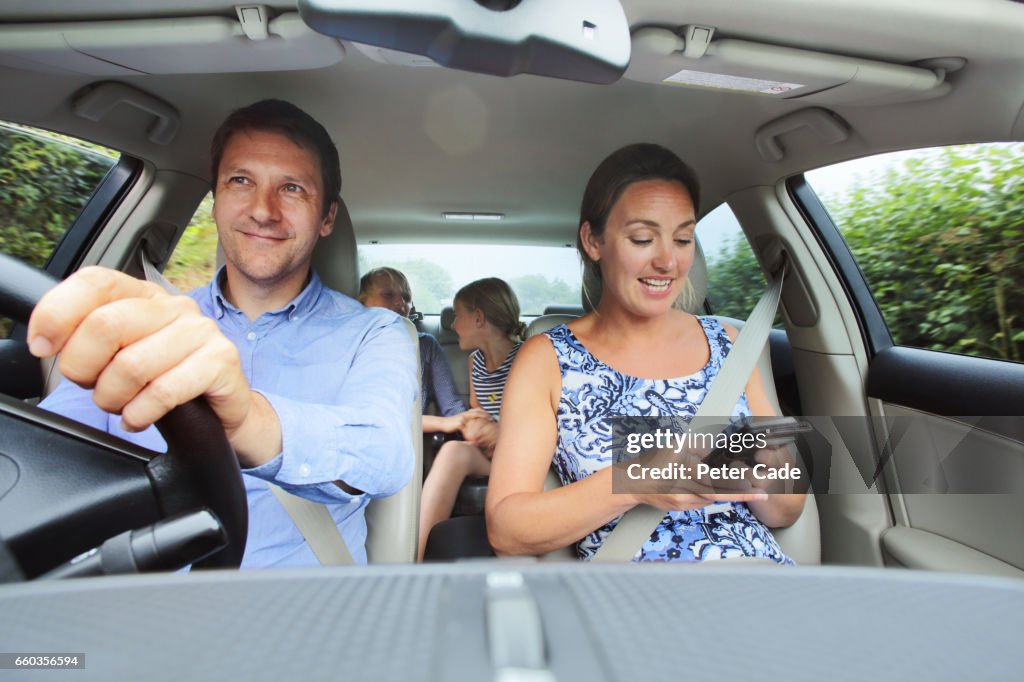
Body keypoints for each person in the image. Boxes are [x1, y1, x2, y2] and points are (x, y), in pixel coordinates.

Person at [28, 99, 417, 568]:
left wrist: (245, 421)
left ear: (327, 218)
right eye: (241, 181)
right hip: (136, 604)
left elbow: (385, 454)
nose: (262, 210)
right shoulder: (148, 325)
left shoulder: (376, 332)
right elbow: (44, 461)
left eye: (291, 189)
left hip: (301, 621)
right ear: (215, 199)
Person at [486, 143, 805, 563]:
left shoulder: (731, 343)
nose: (668, 261)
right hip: (636, 604)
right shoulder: (546, 359)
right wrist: (636, 479)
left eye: (683, 238)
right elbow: (506, 530)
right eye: (642, 238)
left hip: (761, 584)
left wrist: (764, 465)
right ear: (593, 241)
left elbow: (787, 507)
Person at [418, 277, 525, 560]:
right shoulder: (474, 363)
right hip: (490, 453)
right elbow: (479, 414)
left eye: (457, 315)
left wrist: (503, 433)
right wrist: (477, 428)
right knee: (453, 451)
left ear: (478, 318)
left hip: (524, 454)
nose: (452, 325)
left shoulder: (526, 357)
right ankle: (415, 561)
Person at [357, 266, 468, 429]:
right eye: (388, 295)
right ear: (361, 303)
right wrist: (442, 423)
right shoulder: (351, 347)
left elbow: (452, 406)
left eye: (406, 297)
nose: (400, 302)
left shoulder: (425, 347)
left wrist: (469, 424)